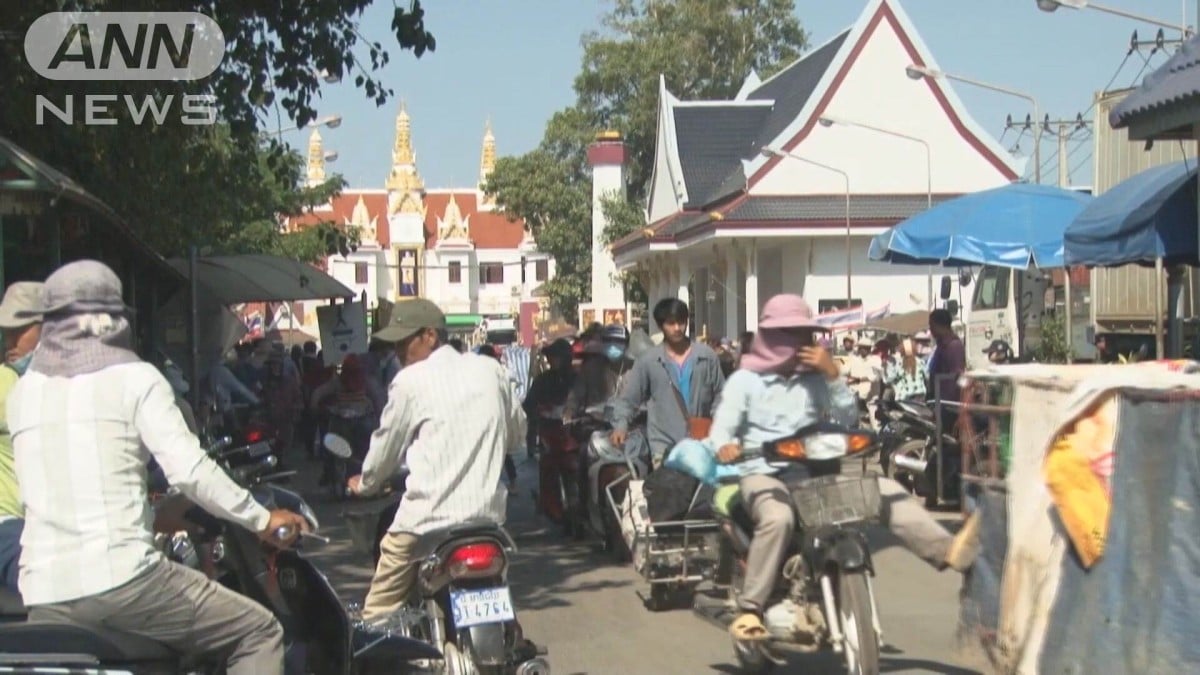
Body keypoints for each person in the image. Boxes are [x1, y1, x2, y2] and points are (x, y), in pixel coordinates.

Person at [9, 260, 307, 674]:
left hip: (44, 591)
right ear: (114, 318)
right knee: (257, 632)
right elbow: (190, 471)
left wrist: (151, 516)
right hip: (124, 582)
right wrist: (261, 519)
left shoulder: (25, 392)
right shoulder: (135, 378)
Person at [706, 294, 978, 641]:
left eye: (806, 334)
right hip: (763, 473)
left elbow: (848, 417)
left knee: (885, 493)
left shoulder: (817, 379)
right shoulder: (745, 381)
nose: (802, 343)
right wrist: (726, 447)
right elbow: (720, 433)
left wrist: (833, 375)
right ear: (772, 337)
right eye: (792, 334)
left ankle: (950, 551)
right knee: (778, 518)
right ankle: (750, 610)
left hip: (818, 472)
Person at [347, 299, 524, 623]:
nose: (399, 352)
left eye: (405, 341)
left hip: (425, 523)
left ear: (430, 335)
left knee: (375, 617)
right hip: (486, 520)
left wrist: (367, 483)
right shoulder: (491, 369)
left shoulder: (409, 382)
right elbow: (516, 436)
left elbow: (385, 448)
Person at [611, 299, 724, 463]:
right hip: (664, 449)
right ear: (661, 325)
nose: (677, 328)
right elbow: (629, 399)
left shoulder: (706, 357)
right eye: (671, 323)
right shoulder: (648, 361)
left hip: (702, 445)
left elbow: (721, 394)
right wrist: (621, 425)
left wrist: (719, 422)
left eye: (681, 322)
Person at [0, 282, 42, 591]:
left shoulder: (63, 385)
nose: (9, 339)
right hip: (10, 523)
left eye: (20, 329)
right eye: (6, 330)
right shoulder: (5, 381)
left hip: (52, 525)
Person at [564, 324, 632, 420]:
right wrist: (569, 412)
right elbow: (576, 395)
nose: (613, 345)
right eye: (608, 341)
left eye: (618, 342)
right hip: (596, 424)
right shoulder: (591, 368)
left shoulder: (634, 369)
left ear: (627, 345)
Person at [478, 344, 520, 494]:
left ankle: (492, 484)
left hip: (487, 417)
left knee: (493, 452)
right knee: (502, 452)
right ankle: (512, 483)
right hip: (498, 416)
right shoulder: (500, 371)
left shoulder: (485, 372)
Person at [927, 309, 966, 406]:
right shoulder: (941, 346)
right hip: (938, 400)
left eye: (931, 325)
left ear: (939, 325)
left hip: (948, 404)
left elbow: (956, 376)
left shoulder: (954, 346)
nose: (930, 329)